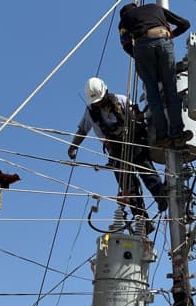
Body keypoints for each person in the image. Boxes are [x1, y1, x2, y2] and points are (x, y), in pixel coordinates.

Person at [68, 77, 168, 225]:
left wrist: (139, 115)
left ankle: (161, 198)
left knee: (146, 170)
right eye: (96, 102)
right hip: (116, 151)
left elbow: (139, 118)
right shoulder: (91, 113)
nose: (99, 104)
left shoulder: (121, 100)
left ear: (106, 92)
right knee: (128, 186)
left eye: (100, 100)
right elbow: (82, 129)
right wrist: (73, 146)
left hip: (133, 141)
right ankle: (142, 222)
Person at [118, 2, 193, 148]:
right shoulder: (155, 7)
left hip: (142, 46)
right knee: (171, 90)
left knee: (153, 95)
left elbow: (126, 44)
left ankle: (162, 137)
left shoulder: (124, 20)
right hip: (163, 41)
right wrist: (172, 34)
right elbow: (185, 24)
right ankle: (177, 135)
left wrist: (140, 58)